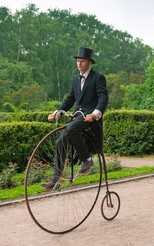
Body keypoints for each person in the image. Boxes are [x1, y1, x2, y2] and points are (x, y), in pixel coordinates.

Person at [44, 47, 108, 190]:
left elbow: (103, 98)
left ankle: (87, 159)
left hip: (89, 118)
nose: (79, 63)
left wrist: (95, 114)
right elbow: (70, 99)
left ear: (89, 63)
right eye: (78, 61)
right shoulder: (75, 80)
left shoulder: (98, 78)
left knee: (72, 128)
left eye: (82, 61)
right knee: (60, 141)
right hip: (78, 116)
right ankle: (56, 179)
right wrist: (58, 112)